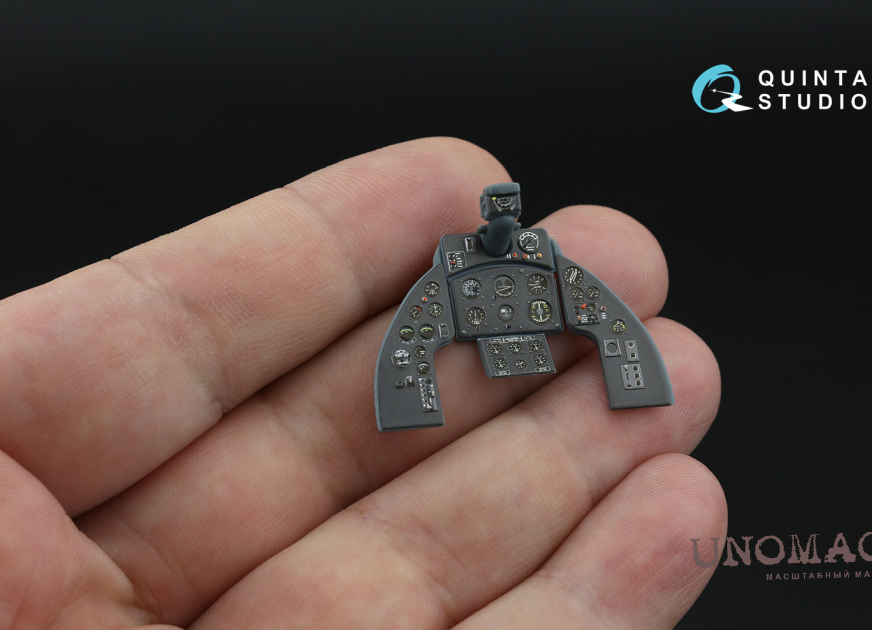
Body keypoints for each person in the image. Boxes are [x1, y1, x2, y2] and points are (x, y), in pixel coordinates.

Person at [0, 138, 725, 629]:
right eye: (498, 212)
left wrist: (626, 369)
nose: (502, 218)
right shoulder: (461, 271)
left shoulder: (537, 269)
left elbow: (603, 323)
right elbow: (416, 343)